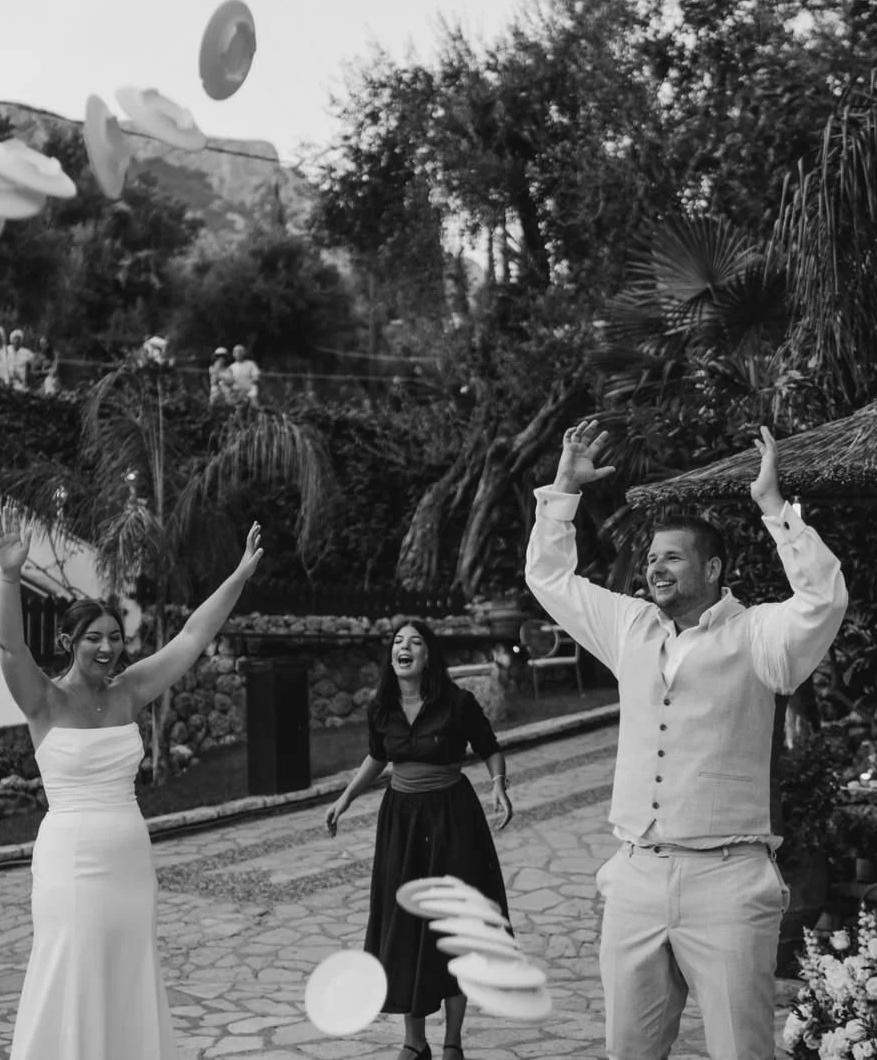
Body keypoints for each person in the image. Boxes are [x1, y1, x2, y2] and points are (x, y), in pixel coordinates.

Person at [524, 420, 848, 1060]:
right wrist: (564, 491)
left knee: (739, 1052)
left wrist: (774, 507)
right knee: (628, 1051)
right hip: (636, 874)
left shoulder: (759, 634)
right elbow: (550, 579)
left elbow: (823, 601)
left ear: (713, 568)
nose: (654, 567)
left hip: (728, 878)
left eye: (671, 557)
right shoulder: (630, 626)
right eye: (651, 559)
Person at [0, 509, 264, 1060]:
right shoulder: (43, 700)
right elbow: (11, 648)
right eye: (93, 638)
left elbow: (192, 636)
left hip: (130, 864)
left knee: (128, 970)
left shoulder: (129, 691)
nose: (107, 648)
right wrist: (9, 575)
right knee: (71, 963)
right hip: (69, 863)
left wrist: (238, 576)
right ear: (68, 641)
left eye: (115, 637)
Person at [325, 620, 514, 1060]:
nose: (404, 647)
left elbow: (489, 747)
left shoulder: (457, 703)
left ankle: (453, 1042)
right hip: (402, 824)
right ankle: (414, 1042)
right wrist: (345, 798)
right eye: (397, 642)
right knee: (405, 925)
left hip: (453, 820)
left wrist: (498, 785)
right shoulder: (382, 708)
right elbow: (378, 756)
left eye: (414, 642)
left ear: (428, 655)